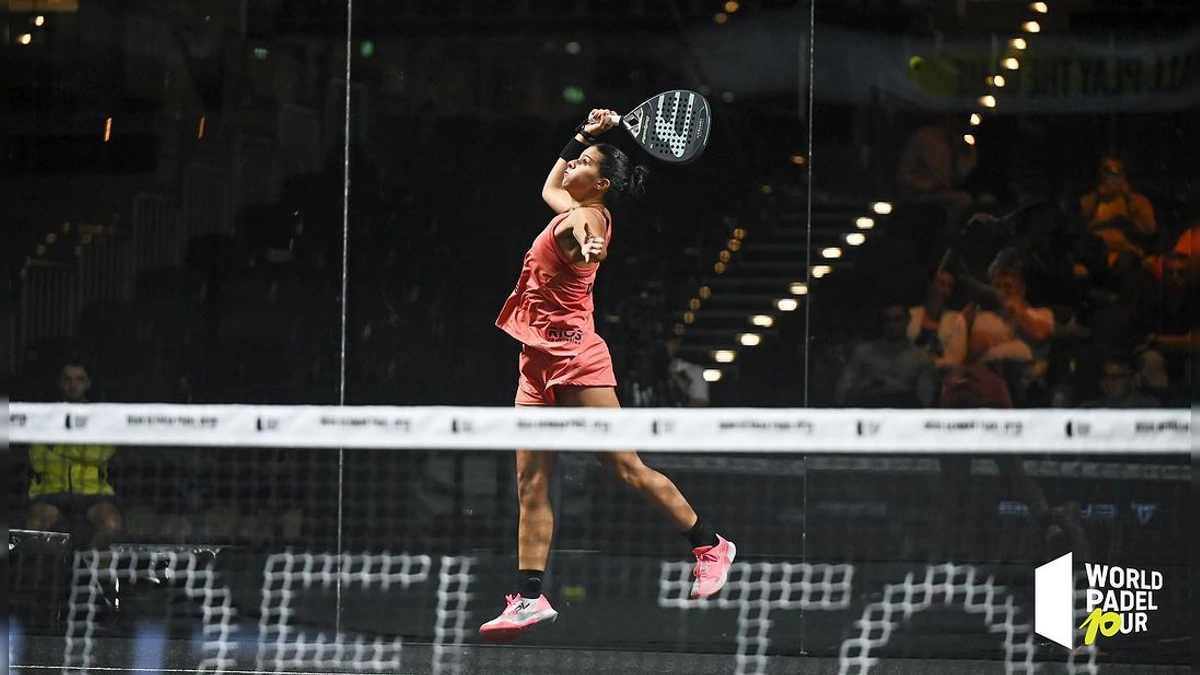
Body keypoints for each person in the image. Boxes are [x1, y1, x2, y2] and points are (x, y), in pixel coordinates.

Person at [480, 110, 735, 643]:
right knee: (530, 483)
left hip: (576, 360)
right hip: (535, 363)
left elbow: (585, 230)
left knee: (624, 467)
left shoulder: (589, 219)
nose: (571, 163)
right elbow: (550, 185)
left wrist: (590, 243)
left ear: (600, 184)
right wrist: (585, 135)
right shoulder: (569, 203)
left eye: (584, 162)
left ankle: (711, 544)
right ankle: (530, 598)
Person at [25, 359, 122, 548]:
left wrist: (57, 446)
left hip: (94, 492)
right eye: (67, 379)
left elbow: (99, 454)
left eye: (79, 379)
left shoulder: (101, 418)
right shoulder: (44, 417)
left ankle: (87, 571)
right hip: (51, 492)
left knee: (112, 525)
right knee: (34, 527)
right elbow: (38, 460)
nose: (73, 385)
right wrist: (82, 448)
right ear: (60, 383)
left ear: (88, 383)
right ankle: (49, 575)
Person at [834, 302, 938, 407]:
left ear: (907, 320)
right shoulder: (863, 352)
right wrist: (868, 390)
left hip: (902, 416)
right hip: (867, 412)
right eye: (888, 320)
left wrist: (896, 392)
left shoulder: (921, 359)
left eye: (897, 319)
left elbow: (925, 401)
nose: (892, 325)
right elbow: (841, 393)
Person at [1078, 154, 1157, 257]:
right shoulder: (1088, 198)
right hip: (1093, 254)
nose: (1111, 177)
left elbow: (1148, 230)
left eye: (1116, 173)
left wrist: (1128, 197)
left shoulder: (1138, 201)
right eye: (1107, 171)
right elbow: (1078, 221)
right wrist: (1097, 196)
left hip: (1127, 254)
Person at [907, 267, 967, 370]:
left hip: (942, 375)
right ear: (930, 285)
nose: (945, 290)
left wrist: (934, 363)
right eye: (941, 283)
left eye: (949, 286)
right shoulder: (911, 314)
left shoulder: (956, 319)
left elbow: (959, 357)